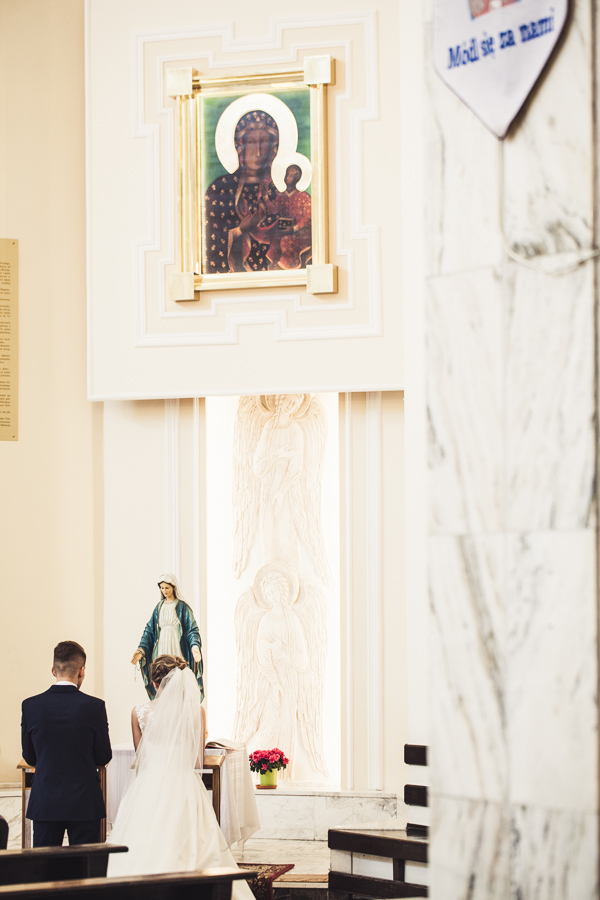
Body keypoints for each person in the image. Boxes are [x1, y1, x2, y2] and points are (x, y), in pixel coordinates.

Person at [107, 655, 253, 899]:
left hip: (147, 787)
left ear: (154, 683)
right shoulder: (196, 711)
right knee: (193, 842)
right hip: (184, 785)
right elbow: (197, 761)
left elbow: (141, 758)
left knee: (144, 841)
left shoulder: (138, 712)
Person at [21, 640, 112, 847]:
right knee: (85, 865)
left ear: (53, 670)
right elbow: (103, 756)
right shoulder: (95, 706)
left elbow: (30, 756)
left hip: (45, 801)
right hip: (84, 802)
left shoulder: (30, 706)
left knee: (44, 865)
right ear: (82, 671)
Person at [204, 110, 280, 274]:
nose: (258, 152)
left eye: (264, 142)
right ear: (239, 146)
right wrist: (239, 230)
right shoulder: (221, 189)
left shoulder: (278, 193)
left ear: (273, 149)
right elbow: (207, 241)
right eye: (251, 142)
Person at [131, 574, 204, 700]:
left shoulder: (182, 607)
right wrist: (141, 649)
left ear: (174, 588)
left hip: (176, 646)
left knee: (177, 676)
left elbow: (192, 630)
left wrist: (194, 647)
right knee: (163, 674)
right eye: (162, 588)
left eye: (167, 588)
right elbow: (149, 631)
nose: (164, 591)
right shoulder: (159, 607)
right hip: (162, 647)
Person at [269, 164, 312, 270]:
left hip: (299, 231)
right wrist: (266, 199)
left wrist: (295, 228)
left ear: (297, 179)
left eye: (291, 176)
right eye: (287, 175)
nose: (287, 178)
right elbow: (274, 211)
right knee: (272, 238)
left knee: (286, 240)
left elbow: (308, 216)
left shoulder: (304, 196)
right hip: (282, 228)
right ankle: (275, 262)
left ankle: (288, 264)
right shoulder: (280, 196)